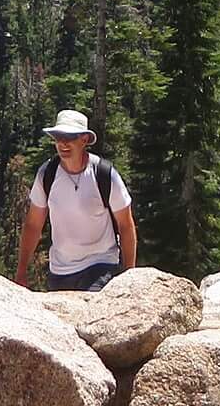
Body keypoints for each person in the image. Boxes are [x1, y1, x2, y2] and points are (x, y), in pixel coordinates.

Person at [14, 109, 135, 292]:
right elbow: (33, 225)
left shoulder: (103, 174)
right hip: (60, 271)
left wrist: (129, 275)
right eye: (58, 137)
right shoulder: (47, 175)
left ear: (84, 139)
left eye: (69, 137)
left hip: (101, 265)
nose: (62, 143)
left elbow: (126, 224)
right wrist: (21, 271)